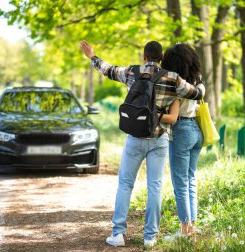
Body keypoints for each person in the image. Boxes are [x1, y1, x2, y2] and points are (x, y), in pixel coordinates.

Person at [79, 40, 205, 247]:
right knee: (155, 186)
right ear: (161, 57)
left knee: (125, 184)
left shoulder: (132, 72)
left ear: (144, 56)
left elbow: (108, 70)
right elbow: (197, 93)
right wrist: (199, 79)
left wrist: (92, 56)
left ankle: (118, 234)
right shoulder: (173, 78)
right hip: (159, 139)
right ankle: (150, 237)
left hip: (135, 138)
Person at [160, 43, 204, 238]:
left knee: (180, 183)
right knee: (191, 179)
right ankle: (191, 227)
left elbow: (173, 116)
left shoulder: (177, 87)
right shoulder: (197, 83)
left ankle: (185, 231)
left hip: (182, 131)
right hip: (196, 130)